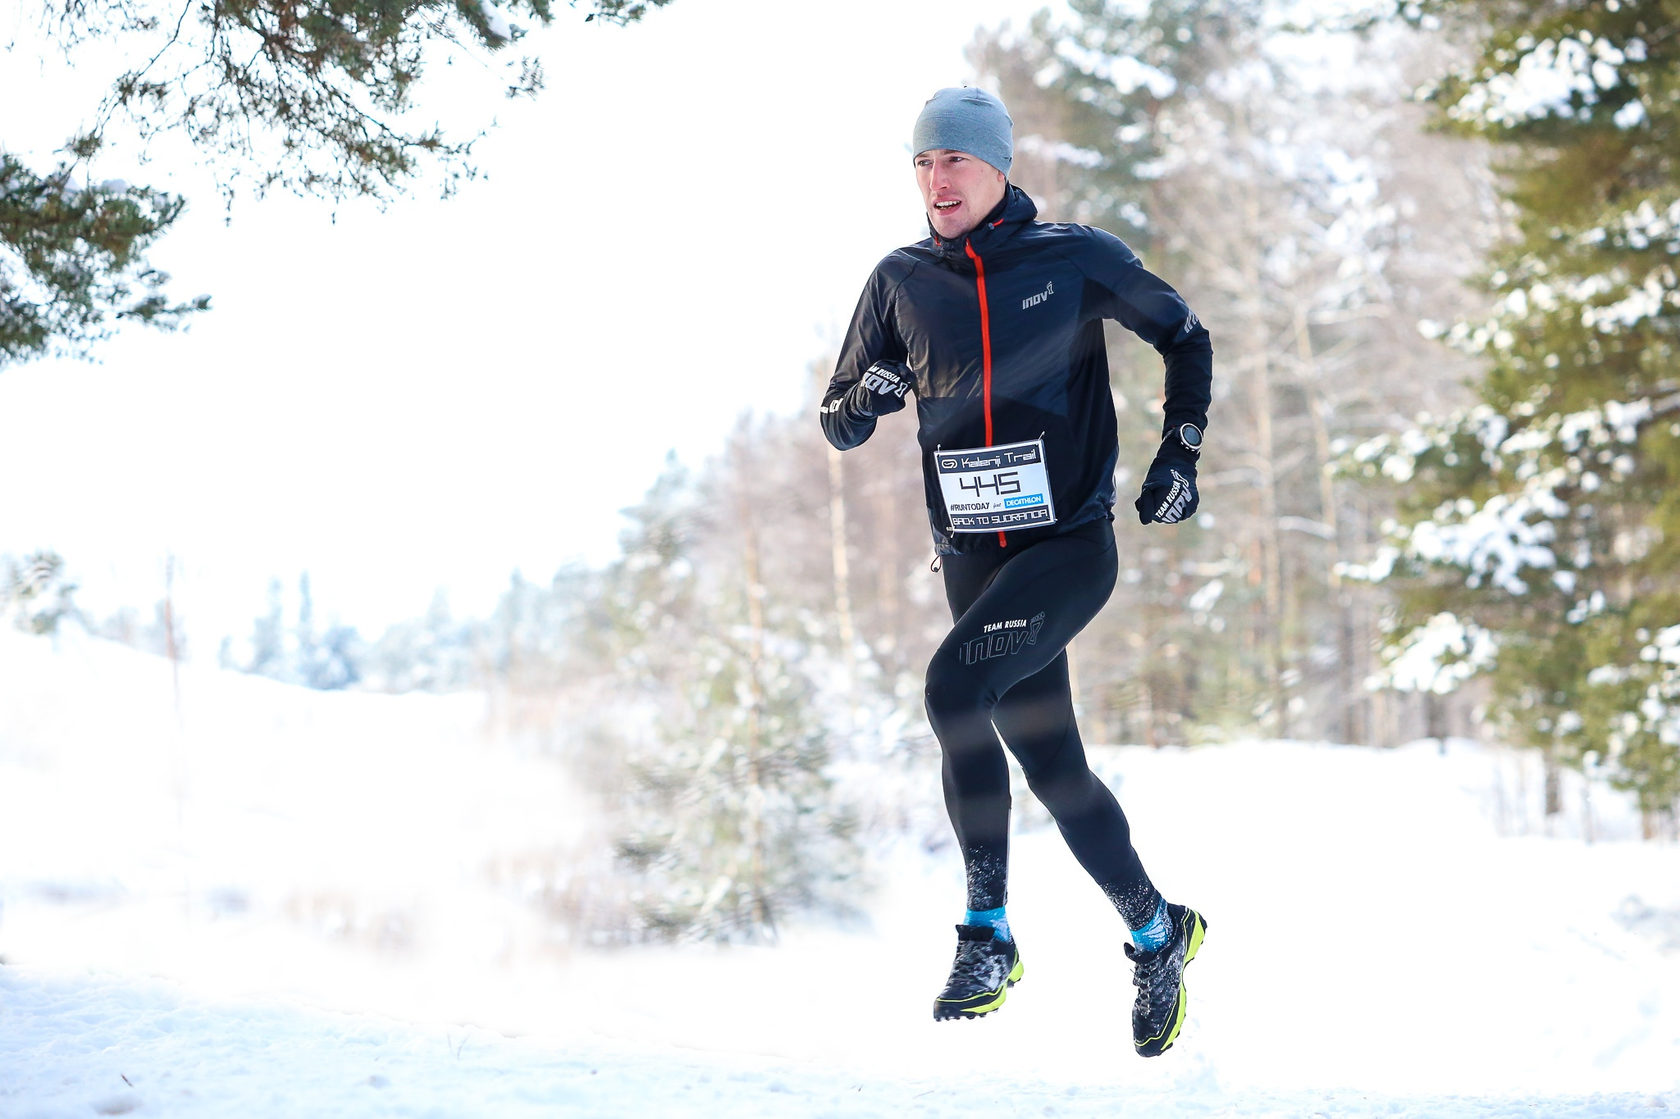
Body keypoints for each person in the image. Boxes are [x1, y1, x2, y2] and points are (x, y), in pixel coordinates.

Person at [819, 86, 1211, 1057]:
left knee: (954, 687)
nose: (935, 180)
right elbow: (839, 418)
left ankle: (987, 933)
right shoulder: (900, 281)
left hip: (1066, 548)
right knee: (1053, 765)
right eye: (921, 163)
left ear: (998, 167)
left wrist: (1180, 453)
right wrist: (866, 398)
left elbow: (1184, 334)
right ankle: (1160, 932)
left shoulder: (1073, 258)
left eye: (953, 160)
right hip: (973, 559)